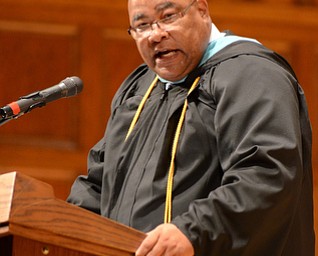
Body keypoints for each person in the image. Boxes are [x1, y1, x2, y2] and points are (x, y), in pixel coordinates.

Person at [67, 0, 315, 255]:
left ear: (202, 11)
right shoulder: (140, 88)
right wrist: (64, 226)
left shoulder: (251, 74)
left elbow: (266, 174)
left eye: (169, 16)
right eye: (142, 25)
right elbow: (99, 182)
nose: (156, 34)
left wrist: (193, 231)